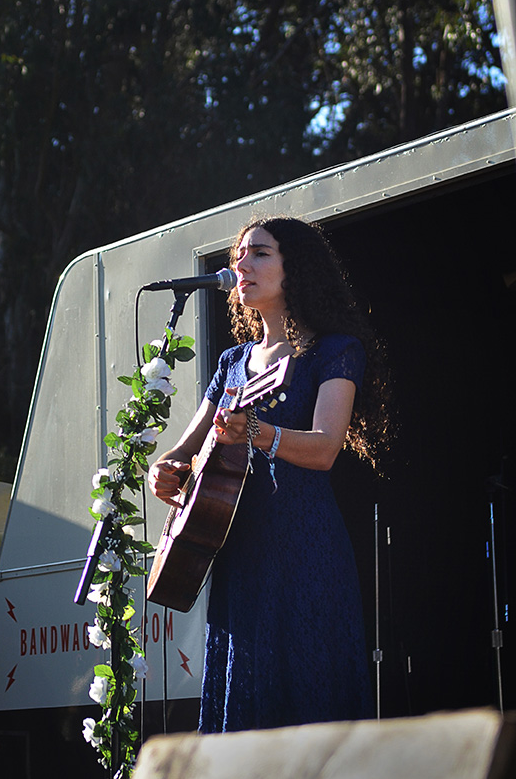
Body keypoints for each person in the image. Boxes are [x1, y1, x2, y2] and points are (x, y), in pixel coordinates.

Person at [148, 215, 391, 732]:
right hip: (239, 553)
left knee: (309, 702)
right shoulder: (233, 361)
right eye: (239, 254)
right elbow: (187, 449)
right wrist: (165, 472)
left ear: (295, 268)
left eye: (260, 253)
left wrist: (257, 431)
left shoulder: (334, 350)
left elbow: (326, 448)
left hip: (305, 550)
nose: (242, 263)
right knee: (245, 705)